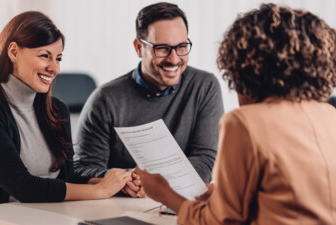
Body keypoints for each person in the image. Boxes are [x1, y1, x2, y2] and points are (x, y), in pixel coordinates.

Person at [136, 3, 336, 224]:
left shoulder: (244, 123)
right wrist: (227, 192)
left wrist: (164, 193)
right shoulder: (330, 116)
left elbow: (218, 222)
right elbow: (294, 197)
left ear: (244, 67)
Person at [0, 11, 131, 225]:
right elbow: (23, 187)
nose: (54, 68)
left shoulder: (57, 110)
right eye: (45, 55)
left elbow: (66, 178)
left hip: (40, 217)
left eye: (59, 58)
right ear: (14, 52)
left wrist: (114, 182)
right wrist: (100, 191)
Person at [73, 2, 224, 198]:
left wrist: (155, 181)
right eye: (162, 48)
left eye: (182, 46)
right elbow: (82, 169)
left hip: (178, 202)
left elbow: (205, 159)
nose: (174, 59)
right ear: (138, 47)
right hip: (120, 206)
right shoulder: (105, 99)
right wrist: (125, 179)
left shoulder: (204, 86)